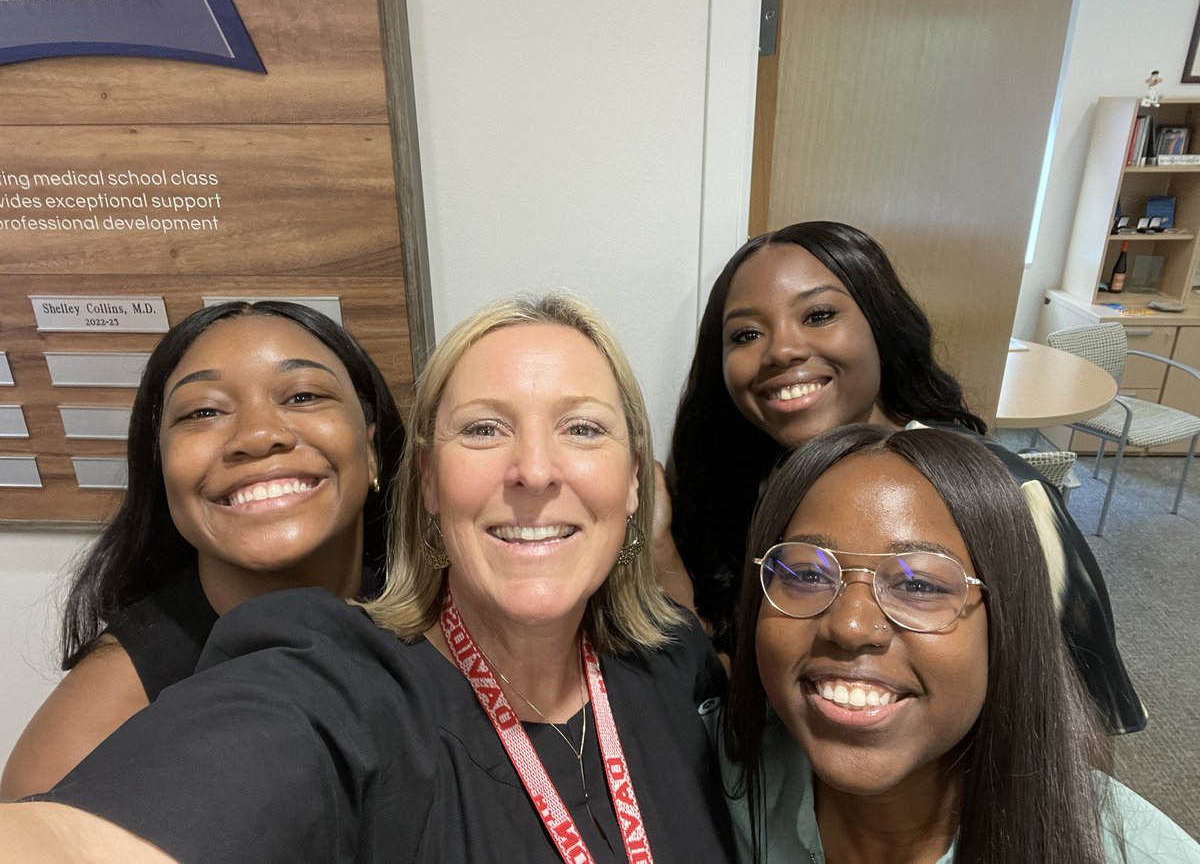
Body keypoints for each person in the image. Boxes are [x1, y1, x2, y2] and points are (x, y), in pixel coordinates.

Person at [1, 293, 735, 862]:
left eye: (583, 428)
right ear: (427, 478)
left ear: (637, 480)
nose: (535, 470)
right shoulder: (333, 682)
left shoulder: (674, 659)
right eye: (483, 428)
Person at [665, 220, 1145, 734]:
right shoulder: (748, 482)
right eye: (747, 334)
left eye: (819, 314)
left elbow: (1088, 723)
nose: (781, 350)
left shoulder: (1002, 493)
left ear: (881, 327)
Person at [722, 425, 1200, 864]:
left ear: (1006, 625)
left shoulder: (1127, 851)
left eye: (919, 585)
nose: (849, 626)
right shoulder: (707, 778)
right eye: (806, 574)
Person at [1, 300, 405, 801]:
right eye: (204, 411)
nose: (258, 436)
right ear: (162, 468)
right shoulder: (80, 755)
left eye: (302, 396)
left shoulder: (451, 613)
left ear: (371, 449)